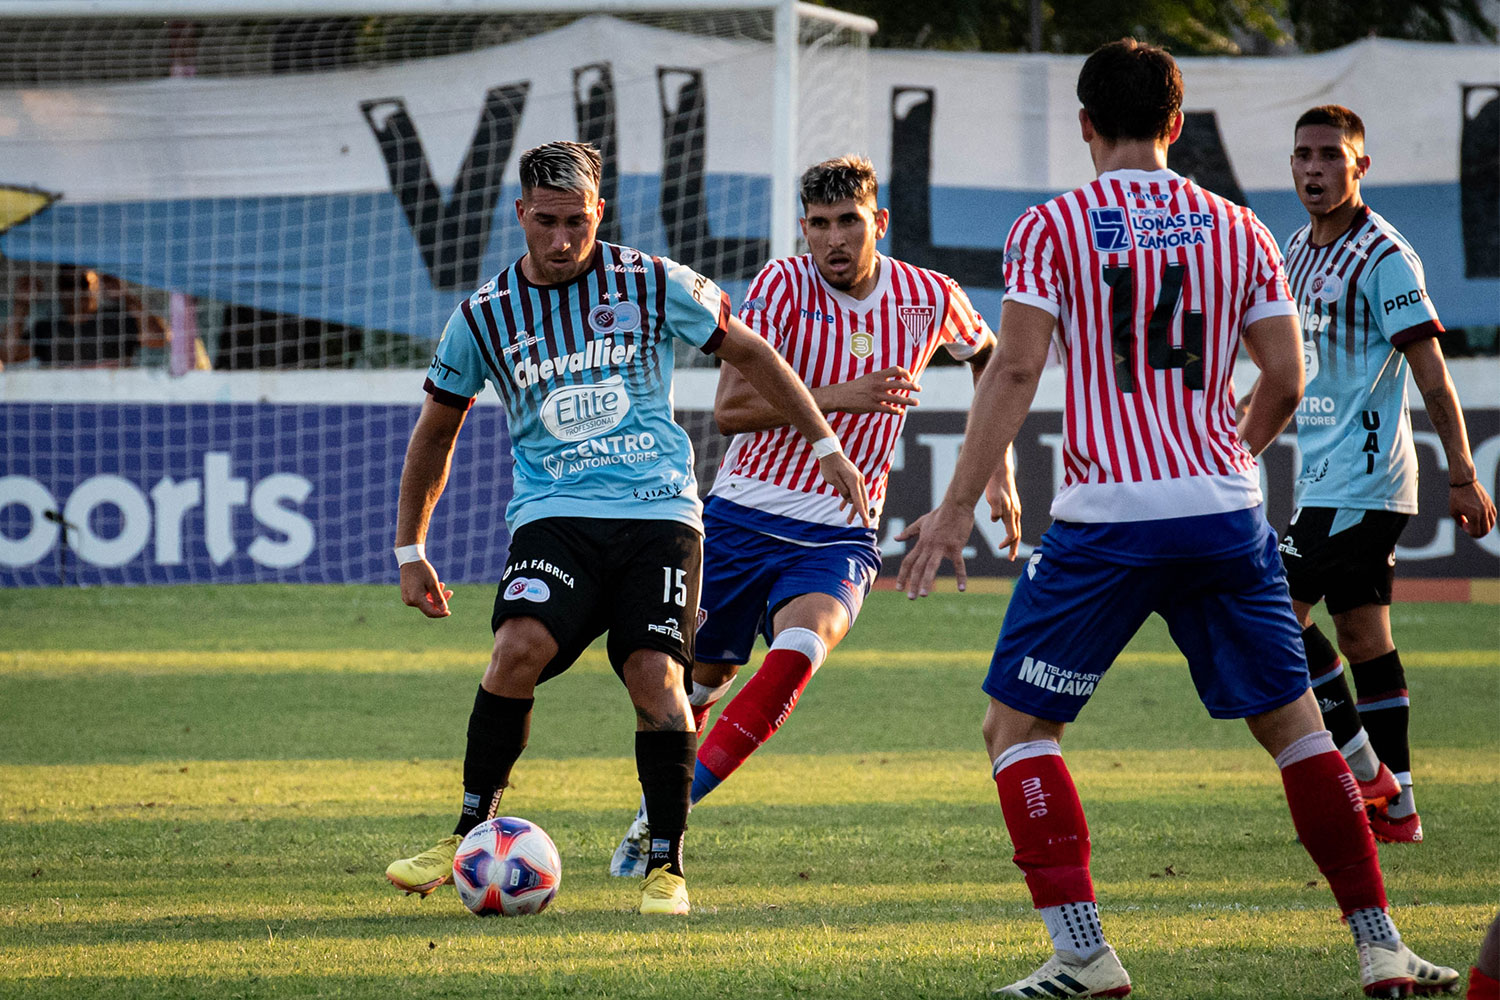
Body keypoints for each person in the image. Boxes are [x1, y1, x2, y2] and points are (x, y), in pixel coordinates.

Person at [897, 39, 1459, 999]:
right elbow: (1287, 377)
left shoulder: (1052, 226)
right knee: (1297, 730)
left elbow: (1019, 369)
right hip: (1222, 518)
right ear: (1176, 122)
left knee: (1016, 728)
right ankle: (1378, 944)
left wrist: (954, 508)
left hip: (1105, 520)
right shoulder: (1241, 229)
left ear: (1085, 126)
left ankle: (1084, 954)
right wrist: (1228, 453)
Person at [383, 140, 869, 917]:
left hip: (658, 514)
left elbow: (754, 353)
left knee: (657, 678)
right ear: (521, 215)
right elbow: (434, 433)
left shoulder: (651, 281)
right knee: (515, 651)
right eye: (546, 222)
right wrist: (411, 550)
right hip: (555, 517)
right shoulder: (483, 316)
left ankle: (667, 868)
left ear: (599, 212)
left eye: (578, 221)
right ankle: (469, 832)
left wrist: (825, 444)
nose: (562, 239)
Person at [607, 154, 1017, 877]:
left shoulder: (928, 296)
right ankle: (662, 800)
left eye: (849, 223)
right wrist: (842, 395)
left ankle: (660, 821)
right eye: (820, 225)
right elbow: (730, 410)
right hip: (739, 521)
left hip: (838, 535)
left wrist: (997, 470)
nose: (834, 239)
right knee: (701, 685)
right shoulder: (778, 286)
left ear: (878, 223)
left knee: (798, 653)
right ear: (804, 229)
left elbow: (990, 357)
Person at [1249, 104, 1496, 844]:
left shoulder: (1385, 254)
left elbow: (1432, 374)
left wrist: (1461, 472)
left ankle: (1367, 779)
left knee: (1274, 619)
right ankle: (1401, 804)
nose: (1314, 168)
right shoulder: (1296, 249)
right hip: (1321, 475)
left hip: (1363, 479)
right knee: (1361, 636)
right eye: (1303, 155)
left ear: (1360, 165)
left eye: (1330, 155)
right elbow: (1280, 366)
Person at [2, 265, 167, 367]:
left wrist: (125, 296)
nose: (75, 291)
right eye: (68, 284)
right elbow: (8, 355)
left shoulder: (116, 320)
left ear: (95, 286)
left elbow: (159, 338)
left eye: (82, 283)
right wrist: (21, 305)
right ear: (59, 288)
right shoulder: (47, 329)